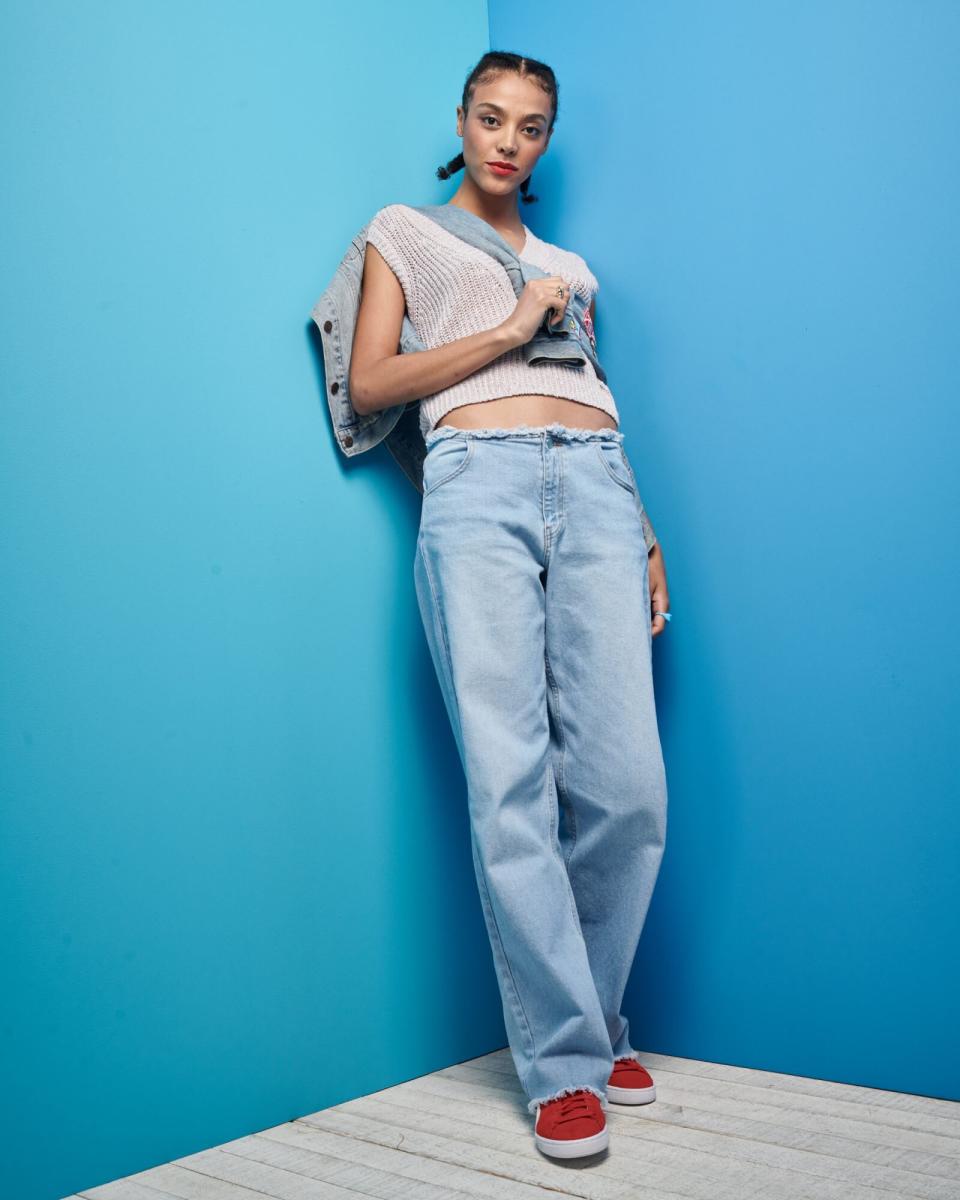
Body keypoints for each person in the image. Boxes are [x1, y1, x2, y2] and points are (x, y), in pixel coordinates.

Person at [349, 50, 671, 1161]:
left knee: (627, 788)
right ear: (463, 119)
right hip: (478, 488)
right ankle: (568, 1062)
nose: (507, 142)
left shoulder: (575, 268)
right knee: (512, 781)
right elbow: (371, 385)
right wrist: (505, 327)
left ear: (545, 141)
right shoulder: (406, 230)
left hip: (598, 485)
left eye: (530, 128)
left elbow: (595, 395)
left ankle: (592, 1014)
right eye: (491, 119)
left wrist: (644, 531)